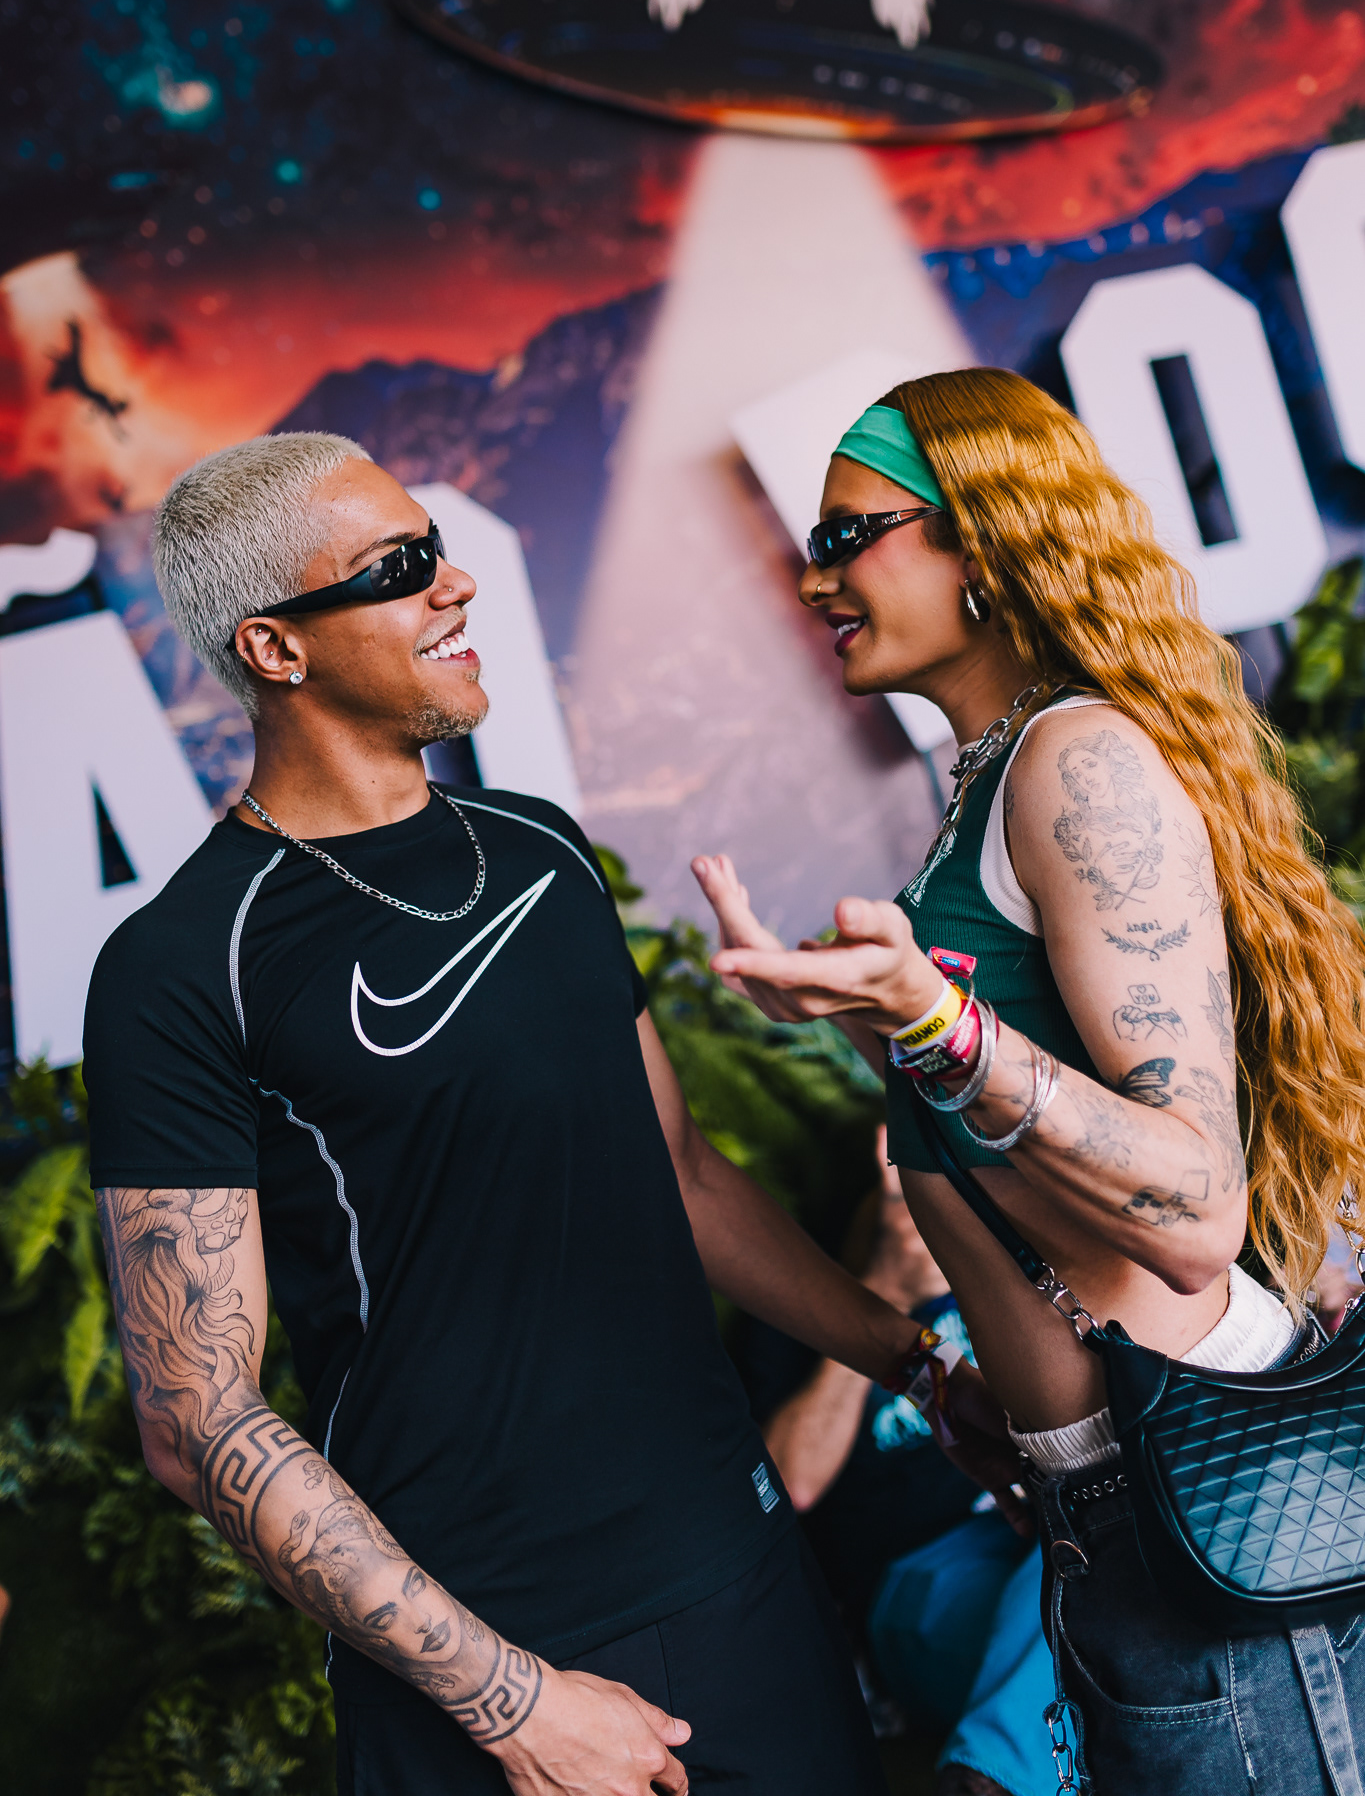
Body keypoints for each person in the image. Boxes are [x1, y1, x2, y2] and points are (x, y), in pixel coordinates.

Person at [83, 431, 928, 1796]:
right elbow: (196, 1418)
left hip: (746, 1576)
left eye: (438, 549)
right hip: (491, 1666)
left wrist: (922, 1369)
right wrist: (510, 1699)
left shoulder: (541, 849)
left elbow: (685, 1178)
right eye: (396, 568)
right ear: (275, 649)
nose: (455, 582)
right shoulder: (182, 965)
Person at [692, 368, 1365, 1795]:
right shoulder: (994, 783)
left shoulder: (1076, 761)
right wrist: (872, 1017)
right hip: (1104, 1511)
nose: (813, 580)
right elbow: (1010, 1141)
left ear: (981, 538)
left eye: (848, 535)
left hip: (1198, 1496)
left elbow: (1193, 1207)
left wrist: (932, 1020)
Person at [747, 1128, 1056, 1796]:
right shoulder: (791, 1300)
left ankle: (988, 1777)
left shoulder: (1005, 1260)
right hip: (917, 1571)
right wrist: (886, 1289)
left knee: (1117, 1566)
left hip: (1039, 1532)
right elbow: (790, 1483)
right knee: (1093, 1631)